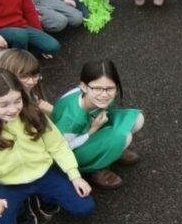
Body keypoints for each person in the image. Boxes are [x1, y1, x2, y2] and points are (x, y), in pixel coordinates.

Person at [0, 69, 95, 224]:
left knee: (85, 208)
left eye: (17, 100)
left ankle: (43, 197)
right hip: (10, 183)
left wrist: (74, 175)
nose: (13, 109)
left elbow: (58, 147)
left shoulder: (35, 116)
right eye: (3, 104)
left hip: (45, 174)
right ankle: (24, 204)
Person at [52, 59, 144, 190]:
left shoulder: (83, 94)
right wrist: (92, 130)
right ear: (84, 86)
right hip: (67, 152)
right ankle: (98, 168)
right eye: (98, 89)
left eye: (110, 88)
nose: (104, 94)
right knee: (123, 137)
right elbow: (60, 150)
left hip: (88, 125)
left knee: (137, 119)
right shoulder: (72, 119)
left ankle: (111, 151)